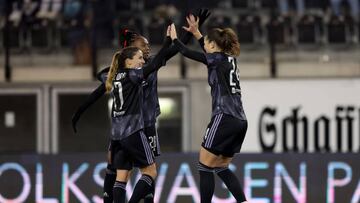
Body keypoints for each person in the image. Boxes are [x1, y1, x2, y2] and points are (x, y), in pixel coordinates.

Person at [71, 9, 211, 203]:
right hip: (131, 126)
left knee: (138, 172)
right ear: (130, 50)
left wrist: (194, 30)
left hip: (147, 124)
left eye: (147, 47)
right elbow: (103, 79)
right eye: (142, 46)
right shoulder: (129, 71)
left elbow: (173, 50)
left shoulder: (148, 63)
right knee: (118, 170)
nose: (147, 49)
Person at [169, 16, 248, 203]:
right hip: (240, 121)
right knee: (221, 166)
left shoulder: (216, 59)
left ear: (212, 45)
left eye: (207, 43)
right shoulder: (229, 59)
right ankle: (243, 201)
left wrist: (174, 39)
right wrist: (197, 32)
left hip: (224, 116)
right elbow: (207, 52)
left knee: (204, 166)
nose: (205, 45)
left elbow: (187, 52)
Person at [106, 26, 171, 203]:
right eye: (141, 55)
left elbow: (101, 77)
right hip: (136, 129)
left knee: (121, 175)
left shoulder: (117, 74)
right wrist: (168, 42)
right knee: (150, 171)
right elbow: (156, 63)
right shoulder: (134, 75)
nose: (144, 58)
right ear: (129, 59)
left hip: (118, 134)